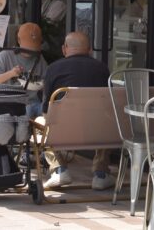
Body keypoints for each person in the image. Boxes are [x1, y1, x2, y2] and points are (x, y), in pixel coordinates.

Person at [39, 32, 116, 191]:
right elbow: (110, 105)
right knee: (106, 121)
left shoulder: (53, 68)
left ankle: (59, 170)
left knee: (41, 123)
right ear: (89, 50)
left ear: (64, 48)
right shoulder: (102, 68)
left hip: (64, 132)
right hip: (97, 132)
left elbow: (46, 109)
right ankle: (101, 174)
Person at [0, 22, 48, 117]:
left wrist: (40, 83)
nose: (31, 51)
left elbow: (47, 83)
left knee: (53, 112)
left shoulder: (39, 59)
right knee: (27, 112)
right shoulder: (5, 56)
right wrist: (11, 73)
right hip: (11, 105)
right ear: (19, 40)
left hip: (34, 103)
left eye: (34, 47)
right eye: (28, 47)